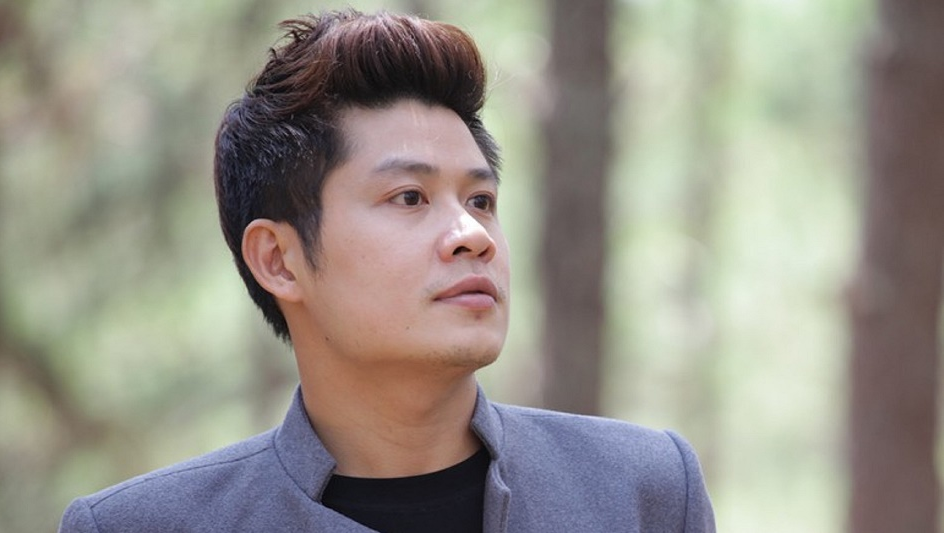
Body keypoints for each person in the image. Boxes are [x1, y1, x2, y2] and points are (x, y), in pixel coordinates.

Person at [58, 8, 715, 533]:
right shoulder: (142, 525)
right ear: (279, 260)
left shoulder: (642, 491)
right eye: (409, 197)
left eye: (481, 201)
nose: (472, 236)